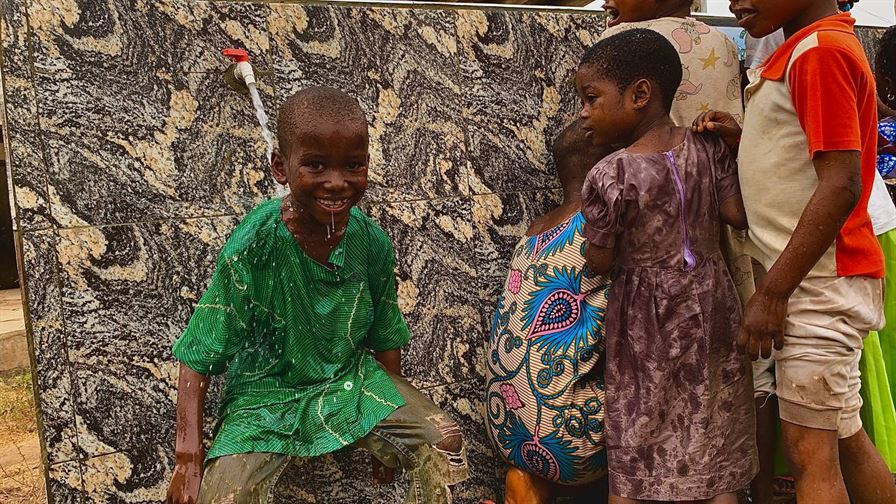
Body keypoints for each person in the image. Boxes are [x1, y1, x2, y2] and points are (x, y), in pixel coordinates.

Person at [165, 86, 468, 504]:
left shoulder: (371, 242)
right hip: (264, 398)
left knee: (442, 439)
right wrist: (188, 457)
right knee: (223, 497)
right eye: (316, 165)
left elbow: (385, 332)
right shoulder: (255, 245)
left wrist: (392, 429)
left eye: (353, 165)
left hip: (349, 382)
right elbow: (198, 353)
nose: (337, 182)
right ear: (280, 166)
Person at [694, 1, 896, 502]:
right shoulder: (802, 51)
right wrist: (748, 139)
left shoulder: (819, 52)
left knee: (810, 455)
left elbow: (840, 184)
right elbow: (805, 156)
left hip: (816, 283)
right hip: (818, 279)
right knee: (844, 438)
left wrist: (773, 292)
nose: (736, 2)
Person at [578, 29, 758, 503]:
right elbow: (738, 216)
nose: (583, 112)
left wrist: (596, 245)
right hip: (713, 304)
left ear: (640, 94)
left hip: (644, 321)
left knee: (637, 437)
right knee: (714, 432)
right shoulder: (708, 147)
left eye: (591, 98)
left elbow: (598, 262)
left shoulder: (609, 174)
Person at [484, 121, 612, 504]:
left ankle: (532, 484)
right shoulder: (600, 232)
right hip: (568, 443)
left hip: (505, 428)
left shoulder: (534, 231)